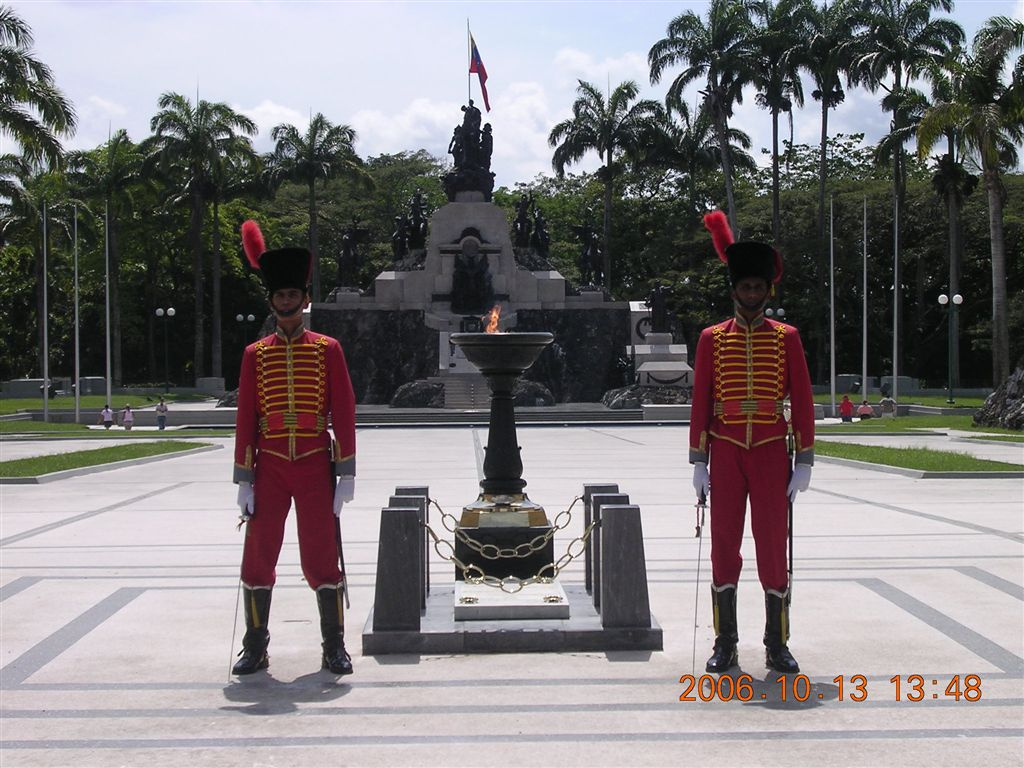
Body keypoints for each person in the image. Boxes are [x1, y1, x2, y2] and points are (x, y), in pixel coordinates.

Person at [689, 211, 815, 675]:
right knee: (724, 545)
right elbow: (701, 399)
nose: (752, 294)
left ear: (767, 291)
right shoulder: (711, 339)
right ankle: (726, 643)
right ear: (734, 290)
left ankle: (776, 643)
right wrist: (698, 461)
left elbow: (801, 400)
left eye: (758, 288)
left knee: (771, 548)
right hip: (723, 449)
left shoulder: (787, 338)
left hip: (769, 451)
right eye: (745, 287)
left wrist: (804, 460)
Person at [232, 219, 357, 677]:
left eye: (292, 296)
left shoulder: (328, 349)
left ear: (304, 300)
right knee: (259, 555)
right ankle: (255, 646)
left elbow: (343, 409)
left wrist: (346, 472)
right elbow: (246, 417)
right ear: (272, 302)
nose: (286, 303)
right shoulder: (255, 355)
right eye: (279, 297)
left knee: (322, 556)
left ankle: (333, 647)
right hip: (269, 467)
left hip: (312, 463)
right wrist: (244, 479)